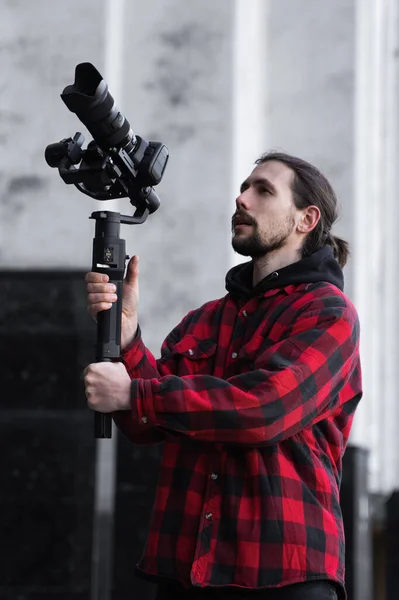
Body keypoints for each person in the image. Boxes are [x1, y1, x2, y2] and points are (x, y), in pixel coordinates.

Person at [84, 151, 362, 600]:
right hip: (185, 571)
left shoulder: (329, 313)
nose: (241, 198)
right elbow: (145, 424)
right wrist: (128, 339)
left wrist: (134, 393)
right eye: (244, 187)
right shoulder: (207, 319)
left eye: (263, 190)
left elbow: (264, 409)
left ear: (306, 219)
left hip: (281, 576)